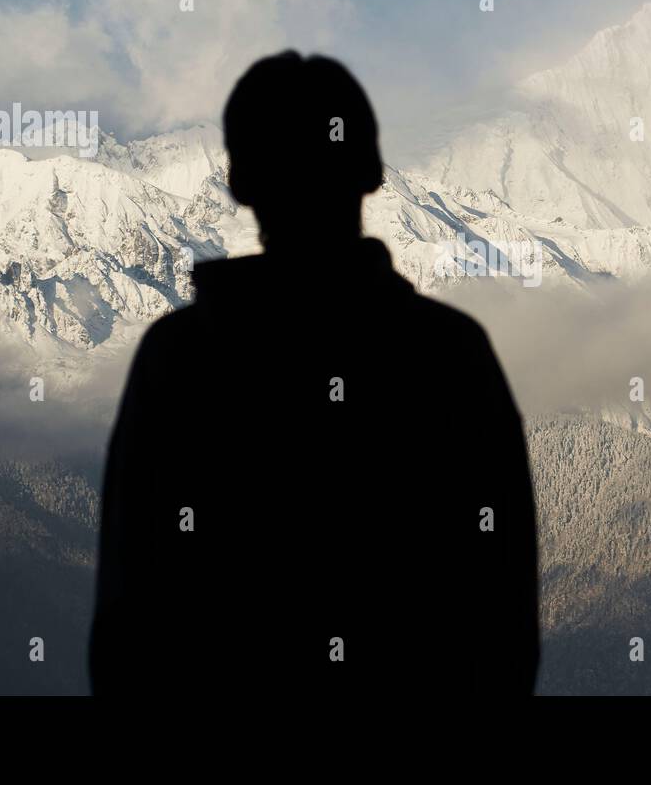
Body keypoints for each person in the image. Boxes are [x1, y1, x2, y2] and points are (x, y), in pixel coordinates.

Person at [90, 51, 539, 698]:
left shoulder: (181, 362)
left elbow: (128, 622)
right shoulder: (449, 358)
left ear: (240, 183)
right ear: (373, 174)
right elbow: (502, 622)